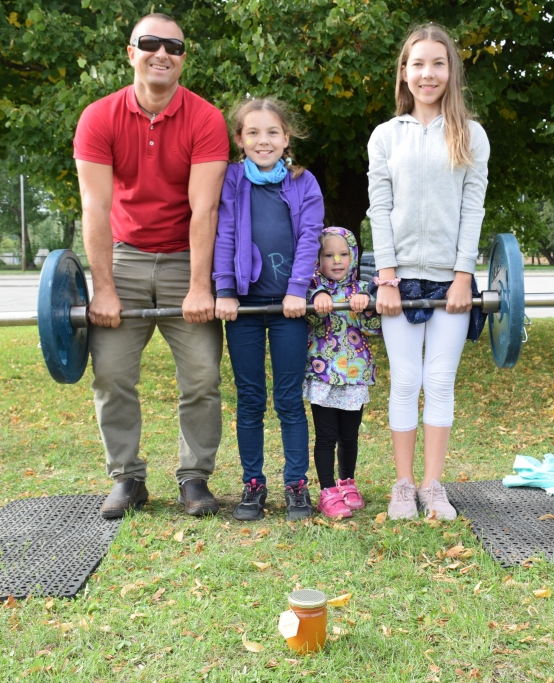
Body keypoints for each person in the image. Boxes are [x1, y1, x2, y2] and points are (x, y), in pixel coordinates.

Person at [73, 13, 230, 519]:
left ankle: (194, 478)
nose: (162, 53)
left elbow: (204, 208)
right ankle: (127, 478)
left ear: (183, 57)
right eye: (150, 43)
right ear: (131, 52)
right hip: (125, 259)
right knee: (113, 376)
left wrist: (200, 285)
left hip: (188, 257)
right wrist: (104, 289)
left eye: (174, 46)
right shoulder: (99, 117)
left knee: (203, 377)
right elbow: (95, 209)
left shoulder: (206, 119)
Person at [366, 23, 491, 520]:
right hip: (399, 279)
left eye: (438, 63)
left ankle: (433, 486)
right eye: (418, 63)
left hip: (449, 279)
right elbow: (380, 208)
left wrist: (463, 277)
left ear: (451, 72)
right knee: (405, 380)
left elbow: (472, 211)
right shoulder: (384, 137)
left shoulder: (470, 134)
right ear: (404, 71)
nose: (428, 73)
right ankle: (403, 485)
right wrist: (387, 277)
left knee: (439, 382)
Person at [212, 98, 325, 521]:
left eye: (272, 132)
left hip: (287, 308)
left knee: (289, 400)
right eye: (254, 133)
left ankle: (296, 484)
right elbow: (223, 234)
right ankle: (253, 485)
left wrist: (298, 290)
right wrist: (224, 289)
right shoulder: (231, 180)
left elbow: (310, 237)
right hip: (242, 306)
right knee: (250, 397)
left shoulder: (303, 182)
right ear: (239, 139)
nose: (264, 140)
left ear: (286, 138)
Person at [304, 227, 382, 518]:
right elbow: (308, 313)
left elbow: (373, 330)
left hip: (354, 376)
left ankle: (347, 482)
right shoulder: (311, 288)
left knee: (349, 435)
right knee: (326, 435)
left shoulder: (360, 290)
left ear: (353, 256)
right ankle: (327, 490)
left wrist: (366, 310)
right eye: (328, 255)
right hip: (322, 374)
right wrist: (319, 297)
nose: (337, 261)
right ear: (318, 258)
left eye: (343, 254)